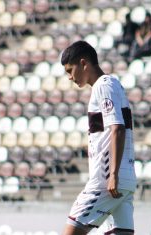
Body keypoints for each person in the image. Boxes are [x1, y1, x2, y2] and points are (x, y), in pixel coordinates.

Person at [61, 41, 137, 235]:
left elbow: (117, 128)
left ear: (84, 63)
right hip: (124, 180)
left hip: (106, 181)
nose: (70, 77)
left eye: (70, 70)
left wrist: (112, 175)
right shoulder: (114, 84)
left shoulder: (103, 85)